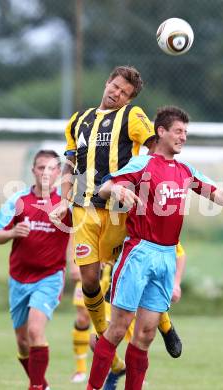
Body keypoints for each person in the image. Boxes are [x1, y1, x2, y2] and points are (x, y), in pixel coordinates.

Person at [86, 106, 223, 390]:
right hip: (139, 252)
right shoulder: (142, 165)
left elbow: (216, 195)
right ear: (161, 131)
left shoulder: (185, 171)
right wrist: (117, 190)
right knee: (118, 329)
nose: (183, 137)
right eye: (178, 131)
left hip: (167, 256)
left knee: (145, 334)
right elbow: (105, 188)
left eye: (186, 133)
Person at [50, 65, 182, 384]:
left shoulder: (132, 116)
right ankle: (113, 357)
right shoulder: (78, 121)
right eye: (116, 86)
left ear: (130, 98)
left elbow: (154, 146)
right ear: (108, 82)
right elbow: (71, 160)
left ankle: (164, 324)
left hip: (119, 211)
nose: (117, 93)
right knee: (91, 283)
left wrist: (141, 182)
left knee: (130, 280)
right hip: (84, 208)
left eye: (124, 92)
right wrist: (62, 198)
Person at [0, 150, 71, 390]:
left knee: (36, 331)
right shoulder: (18, 201)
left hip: (49, 277)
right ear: (33, 170)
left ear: (58, 173)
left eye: (51, 168)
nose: (46, 172)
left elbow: (83, 233)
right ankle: (42, 384)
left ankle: (35, 387)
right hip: (18, 278)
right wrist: (13, 232)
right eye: (41, 168)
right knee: (23, 342)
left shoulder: (65, 205)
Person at [69, 243, 186, 385]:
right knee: (95, 341)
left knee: (143, 336)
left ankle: (166, 328)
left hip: (140, 281)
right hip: (111, 287)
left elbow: (178, 252)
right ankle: (117, 368)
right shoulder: (109, 223)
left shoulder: (149, 227)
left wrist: (176, 283)